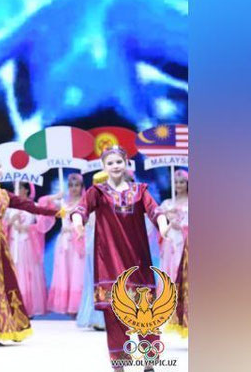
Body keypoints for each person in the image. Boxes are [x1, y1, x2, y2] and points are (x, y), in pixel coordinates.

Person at [71, 145, 170, 371]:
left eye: (119, 162)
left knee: (145, 312)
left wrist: (163, 225)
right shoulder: (97, 192)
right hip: (109, 262)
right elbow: (81, 209)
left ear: (126, 163)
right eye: (110, 163)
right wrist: (78, 222)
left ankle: (149, 363)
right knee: (114, 315)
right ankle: (120, 364)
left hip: (138, 261)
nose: (115, 166)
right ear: (104, 166)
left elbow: (155, 210)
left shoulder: (140, 190)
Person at [0, 157, 63, 345]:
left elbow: (30, 207)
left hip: (0, 244)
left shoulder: (5, 194)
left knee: (7, 283)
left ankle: (11, 326)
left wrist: (57, 213)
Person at [5, 182, 57, 317]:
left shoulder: (33, 206)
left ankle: (28, 308)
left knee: (28, 274)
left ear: (27, 190)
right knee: (14, 274)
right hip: (13, 245)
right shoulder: (9, 209)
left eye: (20, 188)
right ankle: (14, 308)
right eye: (16, 188)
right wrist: (11, 221)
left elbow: (43, 225)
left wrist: (27, 228)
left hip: (27, 245)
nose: (17, 190)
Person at [41, 174, 86, 316]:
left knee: (78, 272)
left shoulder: (84, 203)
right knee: (64, 271)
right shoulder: (63, 203)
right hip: (64, 241)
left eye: (77, 185)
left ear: (82, 187)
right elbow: (42, 203)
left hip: (78, 241)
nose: (74, 188)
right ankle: (67, 305)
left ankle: (78, 306)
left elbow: (90, 222)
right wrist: (55, 197)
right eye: (71, 185)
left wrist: (74, 228)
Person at [75, 171, 107, 331]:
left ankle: (109, 317)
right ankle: (98, 317)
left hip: (109, 246)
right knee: (96, 280)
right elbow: (80, 217)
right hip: (96, 245)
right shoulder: (89, 203)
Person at [158, 170, 189, 282]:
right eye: (175, 182)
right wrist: (167, 216)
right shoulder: (167, 203)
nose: (178, 185)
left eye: (181, 182)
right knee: (169, 264)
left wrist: (182, 227)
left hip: (186, 240)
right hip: (170, 240)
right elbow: (156, 220)